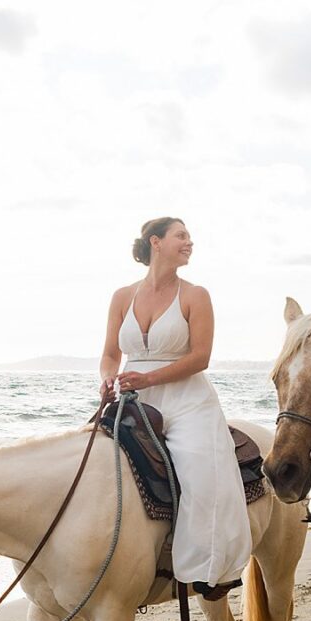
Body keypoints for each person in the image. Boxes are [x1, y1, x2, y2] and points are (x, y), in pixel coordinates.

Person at [99, 216, 252, 595]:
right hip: (133, 399)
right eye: (181, 236)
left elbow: (201, 357)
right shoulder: (122, 296)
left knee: (202, 473)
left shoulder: (195, 295)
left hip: (187, 402)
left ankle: (211, 569)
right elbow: (109, 354)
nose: (189, 242)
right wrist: (106, 378)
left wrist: (148, 378)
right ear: (156, 242)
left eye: (189, 237)